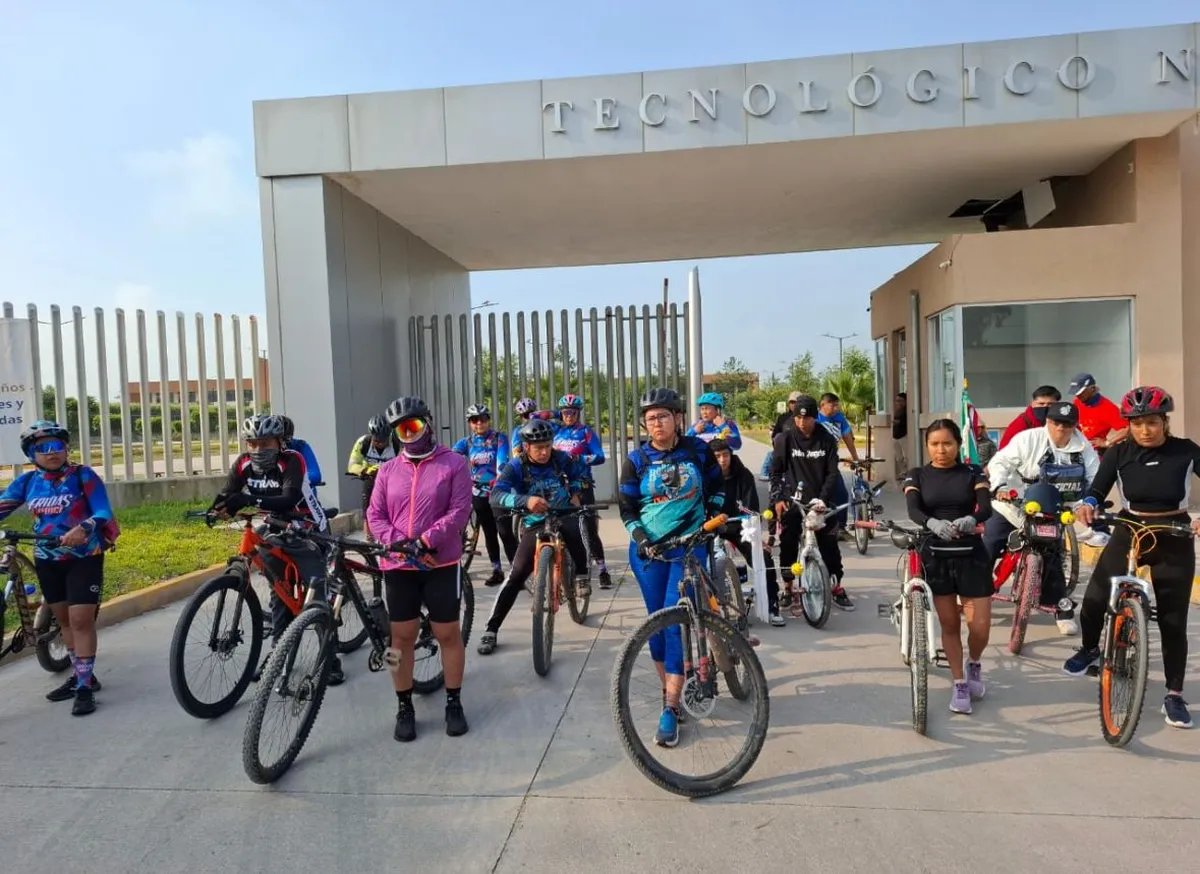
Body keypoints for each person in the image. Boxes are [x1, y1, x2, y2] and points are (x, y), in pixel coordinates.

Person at [1067, 386, 1200, 730]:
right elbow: (1097, 489)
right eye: (1137, 422)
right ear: (1128, 424)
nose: (1144, 430)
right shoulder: (1120, 452)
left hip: (1174, 534)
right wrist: (1088, 505)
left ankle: (1174, 695)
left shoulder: (1185, 451)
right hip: (1129, 529)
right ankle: (1090, 650)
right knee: (1095, 598)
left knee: (1173, 621)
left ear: (1164, 423)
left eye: (1152, 422)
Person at [619, 387, 725, 747]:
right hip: (649, 553)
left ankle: (670, 706)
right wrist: (640, 538)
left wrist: (714, 515)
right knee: (657, 624)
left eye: (663, 416)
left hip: (690, 549)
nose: (657, 423)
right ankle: (672, 690)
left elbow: (717, 487)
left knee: (677, 622)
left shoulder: (696, 449)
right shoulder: (636, 459)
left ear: (678, 418)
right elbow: (627, 508)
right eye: (650, 418)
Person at [367, 396, 472, 742]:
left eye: (414, 426)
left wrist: (426, 541)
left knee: (447, 635)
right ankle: (403, 704)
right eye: (402, 429)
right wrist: (399, 543)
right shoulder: (387, 470)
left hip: (439, 561)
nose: (409, 435)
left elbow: (459, 511)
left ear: (428, 422)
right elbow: (374, 515)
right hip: (398, 565)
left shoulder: (454, 463)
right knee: (398, 641)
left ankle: (453, 702)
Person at [212, 414, 344, 685]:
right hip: (276, 527)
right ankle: (278, 653)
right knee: (279, 593)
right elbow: (228, 492)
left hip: (308, 527)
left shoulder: (292, 459)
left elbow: (288, 498)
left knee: (316, 594)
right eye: (253, 443)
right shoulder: (243, 463)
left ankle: (330, 658)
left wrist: (247, 498)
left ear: (280, 442)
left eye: (266, 443)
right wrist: (217, 508)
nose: (259, 449)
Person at [0, 421, 117, 716]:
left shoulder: (83, 476)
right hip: (47, 559)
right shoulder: (28, 482)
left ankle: (84, 689)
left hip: (85, 555)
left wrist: (85, 526)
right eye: (43, 448)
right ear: (31, 453)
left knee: (80, 620)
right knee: (64, 620)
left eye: (58, 446)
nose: (52, 453)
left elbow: (103, 510)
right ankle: (82, 675)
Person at [903, 419, 995, 715]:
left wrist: (973, 518)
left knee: (979, 626)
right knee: (950, 624)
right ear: (927, 446)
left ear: (958, 444)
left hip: (972, 554)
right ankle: (959, 683)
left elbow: (986, 506)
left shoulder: (973, 472)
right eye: (934, 444)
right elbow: (914, 509)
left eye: (947, 444)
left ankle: (975, 663)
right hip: (936, 554)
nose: (941, 450)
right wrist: (931, 522)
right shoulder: (917, 474)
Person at [985, 401, 1099, 635]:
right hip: (1013, 506)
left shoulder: (1083, 447)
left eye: (1067, 424)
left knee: (1053, 557)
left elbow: (1095, 478)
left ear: (1075, 426)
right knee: (989, 543)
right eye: (1056, 423)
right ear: (1048, 421)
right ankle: (973, 592)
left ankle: (1059, 606)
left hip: (1052, 512)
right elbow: (1000, 462)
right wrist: (1000, 486)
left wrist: (1087, 504)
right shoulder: (1028, 439)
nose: (1061, 429)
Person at [480, 418, 591, 655]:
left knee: (576, 532)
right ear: (526, 447)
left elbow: (581, 476)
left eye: (547, 446)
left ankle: (582, 575)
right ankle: (492, 627)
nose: (543, 452)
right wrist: (525, 501)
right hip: (535, 522)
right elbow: (495, 495)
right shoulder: (516, 466)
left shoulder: (561, 459)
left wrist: (574, 491)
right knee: (517, 573)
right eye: (538, 447)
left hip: (562, 511)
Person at [770, 394, 854, 611]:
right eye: (798, 418)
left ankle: (835, 586)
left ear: (815, 417)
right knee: (787, 542)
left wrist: (823, 499)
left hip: (821, 500)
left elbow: (832, 473)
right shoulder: (785, 439)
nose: (802, 423)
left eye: (807, 419)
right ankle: (788, 587)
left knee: (829, 545)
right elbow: (776, 473)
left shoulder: (826, 439)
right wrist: (778, 498)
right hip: (793, 500)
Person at [710, 438, 781, 626]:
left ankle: (772, 606)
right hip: (711, 527)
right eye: (717, 456)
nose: (722, 460)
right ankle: (707, 609)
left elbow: (752, 509)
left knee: (764, 558)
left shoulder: (744, 475)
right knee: (699, 564)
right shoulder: (705, 476)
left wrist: (756, 537)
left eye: (725, 455)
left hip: (739, 527)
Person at [451, 403, 517, 586]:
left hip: (499, 491)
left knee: (505, 532)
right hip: (478, 493)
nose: (479, 423)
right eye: (474, 420)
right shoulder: (467, 442)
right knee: (489, 533)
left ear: (488, 420)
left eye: (483, 419)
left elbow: (502, 462)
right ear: (469, 423)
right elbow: (450, 459)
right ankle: (497, 570)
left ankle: (516, 571)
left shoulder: (499, 438)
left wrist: (499, 478)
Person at [551, 393, 612, 588]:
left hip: (582, 483)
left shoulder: (585, 432)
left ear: (578, 413)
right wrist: (552, 414)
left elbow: (600, 456)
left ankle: (602, 569)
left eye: (573, 412)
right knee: (560, 526)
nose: (569, 415)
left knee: (589, 528)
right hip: (560, 486)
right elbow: (535, 418)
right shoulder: (556, 432)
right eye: (565, 412)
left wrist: (581, 459)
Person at [346, 414, 400, 539]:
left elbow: (404, 464)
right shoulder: (363, 442)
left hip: (391, 481)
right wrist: (365, 470)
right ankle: (368, 539)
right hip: (371, 479)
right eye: (377, 441)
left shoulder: (396, 443)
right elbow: (352, 465)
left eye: (383, 441)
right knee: (368, 511)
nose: (380, 444)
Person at [817, 392, 859, 541]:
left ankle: (840, 528)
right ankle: (816, 529)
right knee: (817, 496)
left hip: (831, 464)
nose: (835, 408)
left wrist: (855, 458)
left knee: (841, 493)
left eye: (837, 405)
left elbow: (848, 438)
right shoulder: (815, 419)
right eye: (832, 405)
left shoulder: (840, 419)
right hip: (814, 463)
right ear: (822, 405)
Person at [998, 385, 1061, 450]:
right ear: (1032, 403)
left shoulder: (1062, 422)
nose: (1045, 406)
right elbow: (1005, 450)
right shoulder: (1022, 422)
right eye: (1041, 403)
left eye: (1050, 404)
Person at [278, 415, 323, 490]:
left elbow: (315, 475)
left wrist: (287, 478)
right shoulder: (262, 451)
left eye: (284, 440)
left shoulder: (300, 445)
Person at [892, 392, 908, 483]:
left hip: (903, 436)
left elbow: (902, 422)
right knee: (898, 457)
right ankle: (903, 472)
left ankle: (907, 473)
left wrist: (896, 422)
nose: (897, 403)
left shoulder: (906, 411)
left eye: (899, 401)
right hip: (895, 437)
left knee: (906, 456)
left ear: (905, 402)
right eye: (896, 401)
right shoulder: (897, 411)